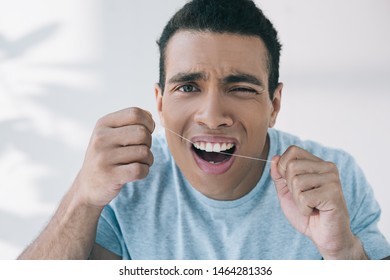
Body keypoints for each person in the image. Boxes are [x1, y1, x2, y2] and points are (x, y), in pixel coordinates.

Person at [18, 0, 390, 260]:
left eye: (241, 88)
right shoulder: (124, 184)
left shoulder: (331, 181)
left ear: (274, 105)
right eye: (188, 87)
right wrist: (81, 199)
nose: (212, 116)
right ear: (160, 102)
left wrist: (344, 254)